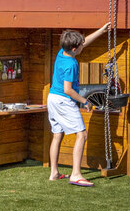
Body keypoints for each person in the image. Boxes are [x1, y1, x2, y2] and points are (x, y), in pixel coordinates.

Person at [47, 23, 110, 186]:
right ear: (75, 49)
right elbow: (68, 89)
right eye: (81, 46)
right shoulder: (71, 65)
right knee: (81, 134)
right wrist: (85, 101)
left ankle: (54, 172)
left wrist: (101, 31)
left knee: (57, 135)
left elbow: (83, 42)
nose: (83, 46)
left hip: (52, 98)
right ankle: (76, 174)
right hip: (63, 100)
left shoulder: (62, 53)